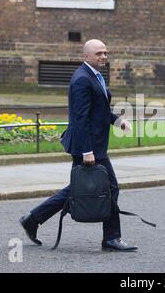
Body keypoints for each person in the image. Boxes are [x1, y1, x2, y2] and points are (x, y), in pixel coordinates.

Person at [20, 39, 138, 251]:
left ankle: (33, 219)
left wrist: (118, 121)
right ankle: (111, 238)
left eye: (105, 52)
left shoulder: (94, 75)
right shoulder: (81, 80)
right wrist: (87, 151)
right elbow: (80, 118)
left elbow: (98, 110)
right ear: (86, 56)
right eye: (99, 53)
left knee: (78, 189)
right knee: (110, 187)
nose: (103, 56)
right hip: (87, 145)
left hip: (93, 144)